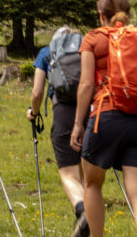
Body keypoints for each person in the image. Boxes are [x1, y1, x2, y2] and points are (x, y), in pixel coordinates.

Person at [70, 0, 137, 237]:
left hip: (105, 118)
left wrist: (78, 124)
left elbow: (86, 84)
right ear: (127, 14)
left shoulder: (93, 39)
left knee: (92, 184)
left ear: (101, 16)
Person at [29, 28, 88, 236]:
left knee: (68, 174)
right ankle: (90, 219)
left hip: (63, 113)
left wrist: (33, 113)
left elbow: (37, 93)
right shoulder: (86, 48)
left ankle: (82, 210)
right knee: (87, 173)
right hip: (90, 112)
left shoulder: (46, 52)